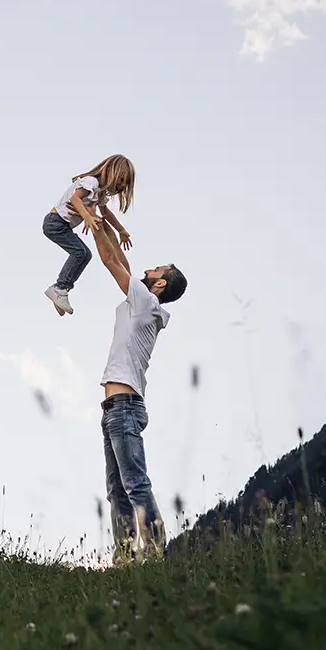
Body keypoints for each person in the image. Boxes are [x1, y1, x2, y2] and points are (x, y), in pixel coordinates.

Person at [91, 227, 187, 564]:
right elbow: (119, 257)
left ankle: (156, 551)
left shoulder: (145, 302)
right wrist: (102, 219)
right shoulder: (142, 301)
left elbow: (108, 260)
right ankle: (125, 556)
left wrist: (90, 222)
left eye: (156, 270)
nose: (149, 270)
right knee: (117, 490)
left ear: (160, 285)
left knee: (134, 484)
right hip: (114, 408)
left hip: (124, 408)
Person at [43, 154, 136, 316]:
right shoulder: (91, 182)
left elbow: (106, 212)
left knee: (85, 254)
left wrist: (121, 230)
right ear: (112, 172)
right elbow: (75, 199)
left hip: (62, 225)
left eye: (125, 184)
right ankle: (59, 288)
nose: (121, 186)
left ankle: (60, 289)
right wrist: (87, 216)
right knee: (80, 253)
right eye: (121, 180)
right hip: (55, 223)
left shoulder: (99, 193)